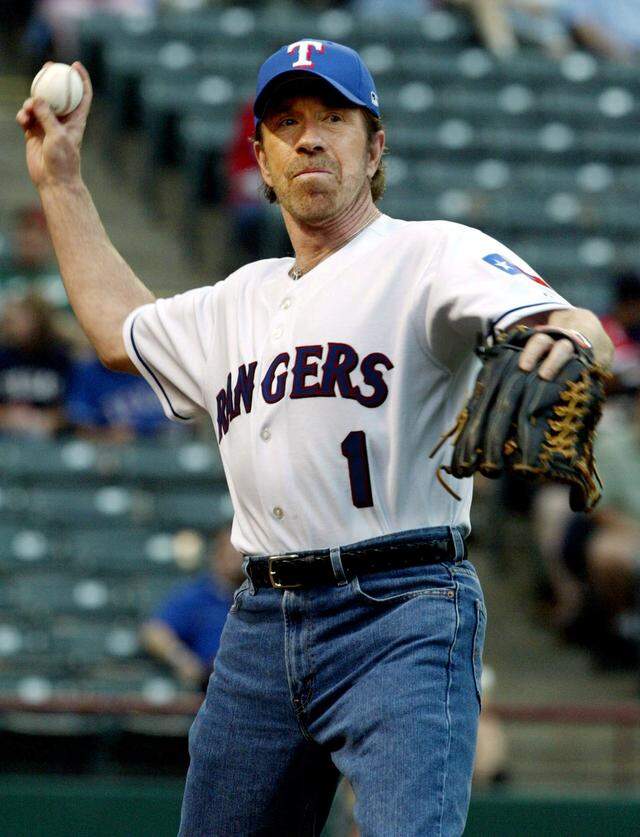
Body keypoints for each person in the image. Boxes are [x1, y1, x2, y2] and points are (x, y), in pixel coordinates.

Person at [17, 40, 612, 836]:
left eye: (334, 116)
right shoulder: (239, 298)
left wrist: (572, 335)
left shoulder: (430, 253)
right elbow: (119, 332)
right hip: (260, 621)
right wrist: (60, 180)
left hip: (403, 606)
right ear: (260, 161)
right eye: (286, 122)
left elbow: (568, 326)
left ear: (375, 146)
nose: (310, 137)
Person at [140, 527, 244, 691]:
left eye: (242, 551)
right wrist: (184, 660)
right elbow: (154, 631)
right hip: (210, 686)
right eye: (230, 550)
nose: (237, 557)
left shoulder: (261, 595)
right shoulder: (199, 594)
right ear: (217, 554)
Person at [0, 290, 72, 437]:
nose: (19, 325)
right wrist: (8, 416)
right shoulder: (3, 357)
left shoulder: (61, 357)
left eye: (25, 318)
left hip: (52, 440)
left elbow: (75, 409)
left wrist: (46, 420)